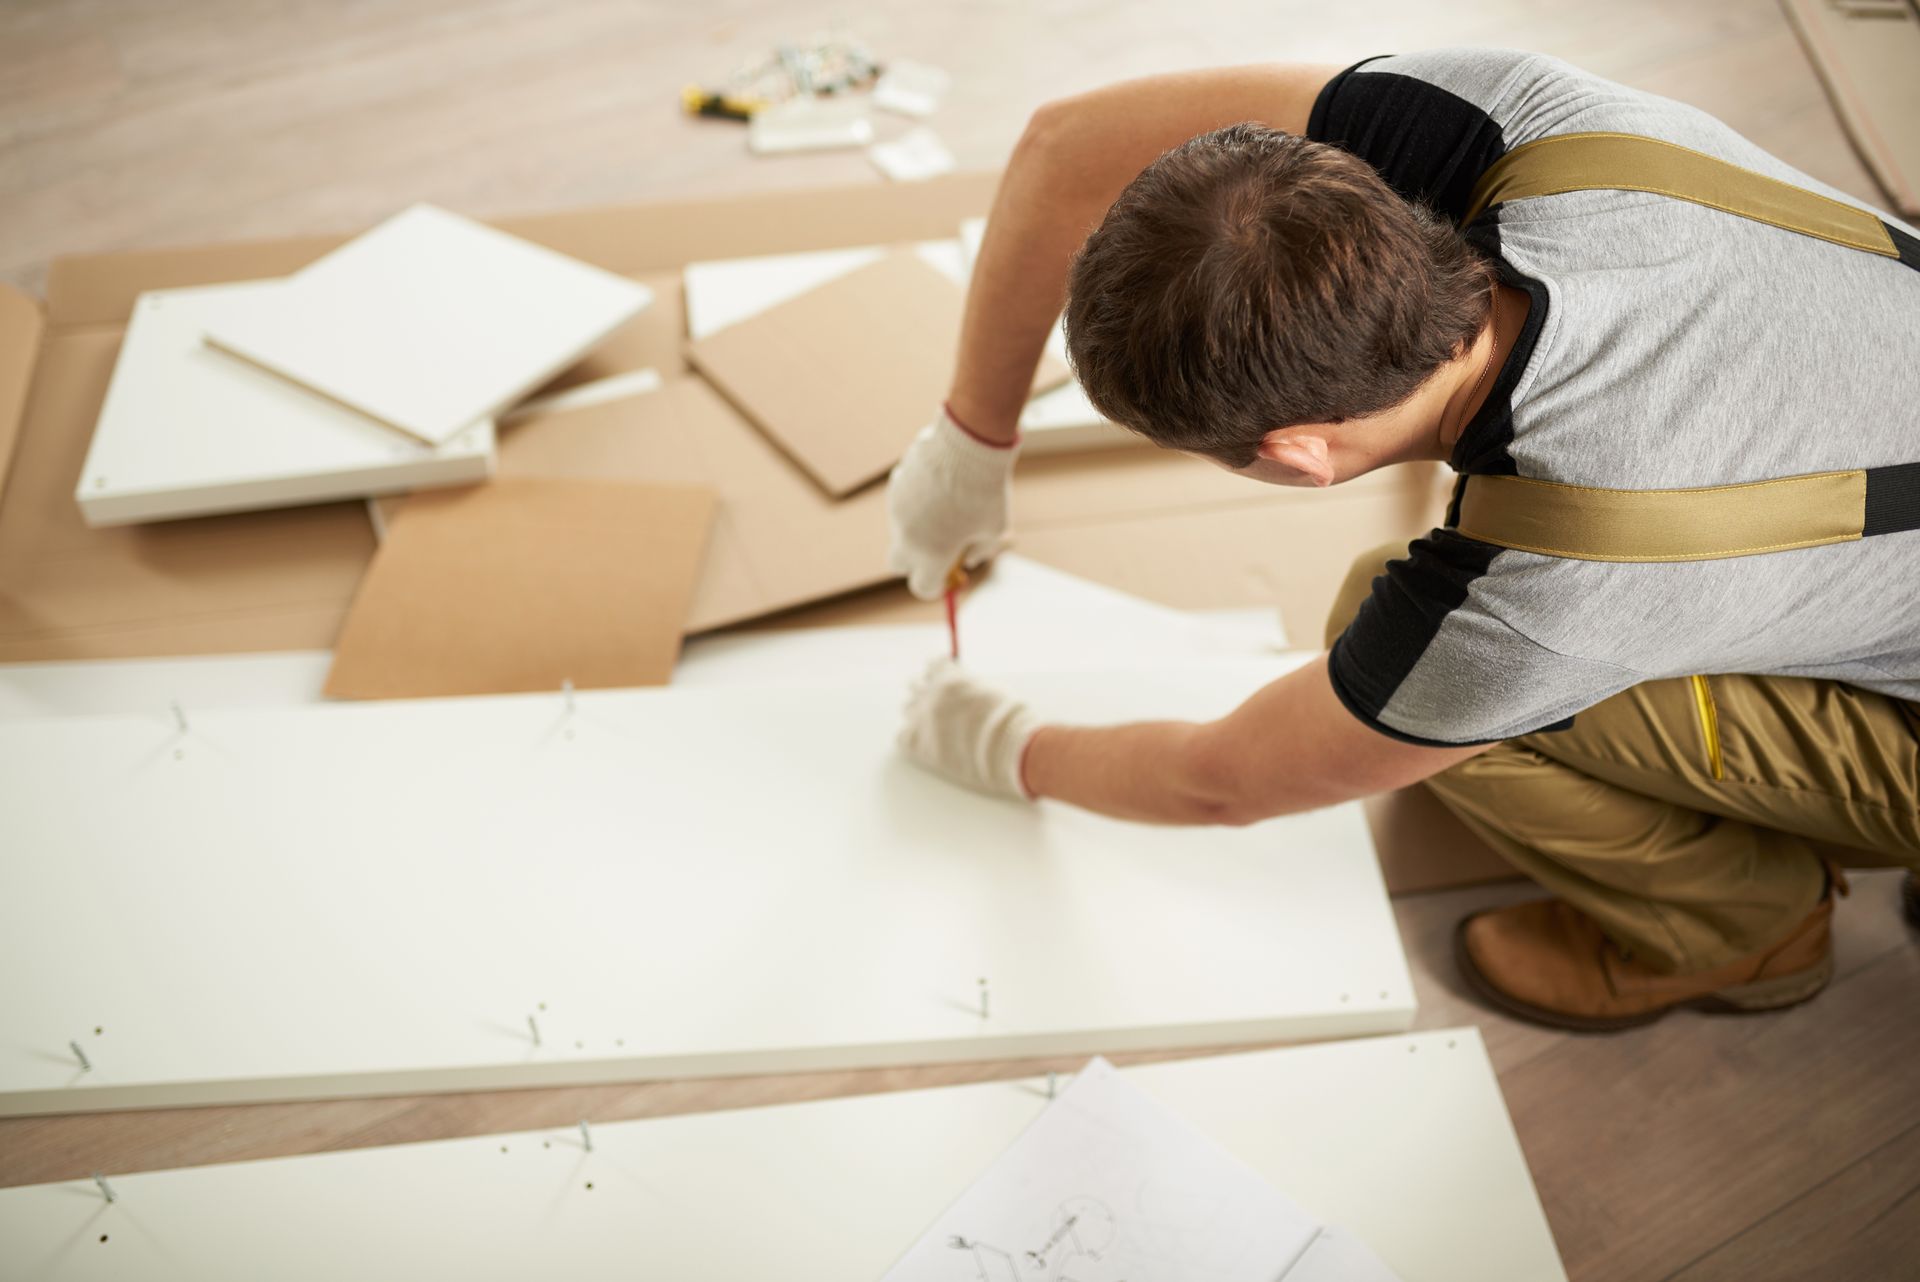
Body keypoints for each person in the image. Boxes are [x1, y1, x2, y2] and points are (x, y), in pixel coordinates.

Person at [886, 49, 1920, 1032]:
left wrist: (1004, 747)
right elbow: (1068, 143)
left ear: (1298, 455)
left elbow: (1222, 779)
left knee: (1387, 644)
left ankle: (1741, 931)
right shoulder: (1521, 119)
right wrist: (971, 441)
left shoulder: (1544, 589)